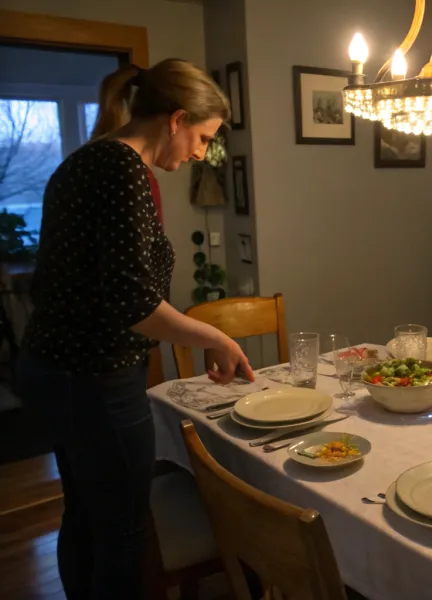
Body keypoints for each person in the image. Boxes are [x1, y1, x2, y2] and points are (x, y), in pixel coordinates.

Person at [15, 59, 255, 600]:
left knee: (85, 515)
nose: (200, 153)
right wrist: (216, 337)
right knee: (124, 530)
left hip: (56, 369)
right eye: (200, 137)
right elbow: (135, 304)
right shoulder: (121, 169)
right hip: (93, 377)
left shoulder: (93, 161)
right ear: (174, 119)